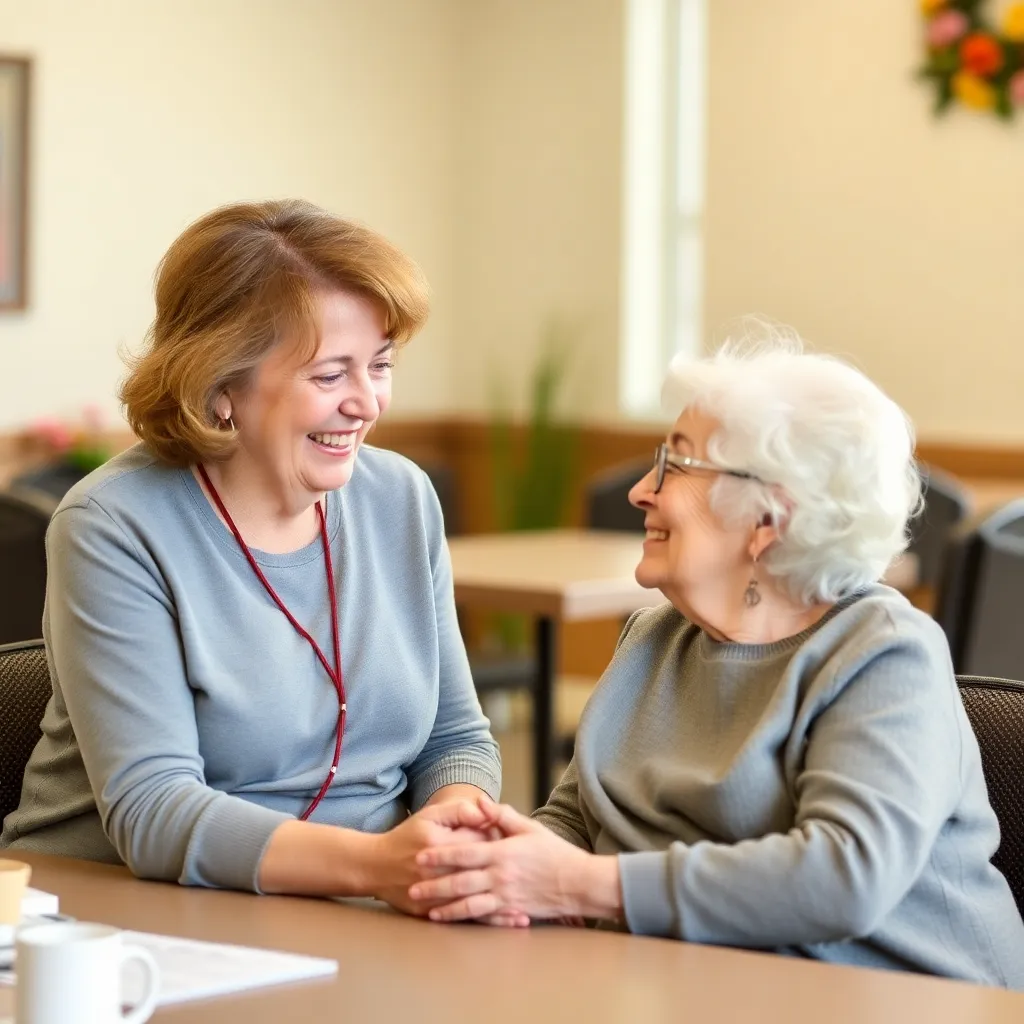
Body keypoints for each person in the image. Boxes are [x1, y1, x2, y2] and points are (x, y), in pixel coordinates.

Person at [407, 334, 1024, 987]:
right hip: (699, 988)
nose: (643, 491)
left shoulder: (883, 650)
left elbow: (846, 876)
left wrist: (583, 885)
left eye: (675, 466)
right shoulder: (653, 637)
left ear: (767, 518)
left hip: (904, 999)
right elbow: (576, 823)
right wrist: (491, 861)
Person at [1, 199, 511, 920]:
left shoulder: (401, 497)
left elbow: (455, 735)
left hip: (359, 906)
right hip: (122, 910)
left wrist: (453, 826)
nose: (366, 402)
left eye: (381, 366)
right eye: (331, 375)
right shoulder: (114, 523)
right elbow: (153, 810)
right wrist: (379, 864)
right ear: (221, 388)